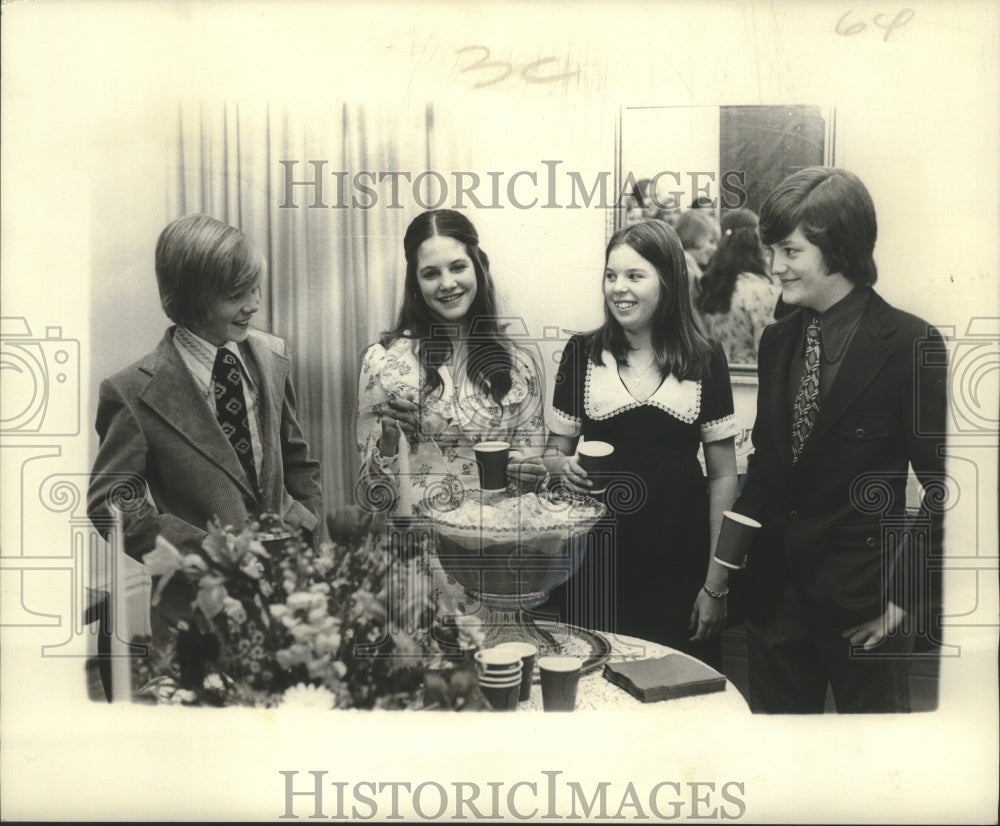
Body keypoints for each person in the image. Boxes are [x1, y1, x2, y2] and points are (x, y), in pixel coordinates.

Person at [715, 167, 948, 713]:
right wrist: (721, 581)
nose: (775, 267)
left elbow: (950, 487)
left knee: (875, 782)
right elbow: (766, 472)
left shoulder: (911, 343)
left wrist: (901, 601)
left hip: (866, 609)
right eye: (773, 250)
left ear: (838, 248)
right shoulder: (776, 341)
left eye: (791, 252)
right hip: (776, 609)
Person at [546, 219, 739, 668]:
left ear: (669, 281)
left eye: (635, 276)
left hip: (679, 565)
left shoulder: (705, 359)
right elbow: (556, 453)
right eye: (611, 276)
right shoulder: (582, 353)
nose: (619, 288)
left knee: (677, 698)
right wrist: (561, 468)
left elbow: (725, 476)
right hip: (596, 563)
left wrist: (716, 584)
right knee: (595, 688)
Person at [88, 214, 323, 560]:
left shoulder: (273, 356)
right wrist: (206, 551)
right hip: (201, 599)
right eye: (235, 296)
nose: (253, 305)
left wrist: (308, 531)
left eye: (254, 288)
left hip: (287, 579)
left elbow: (296, 461)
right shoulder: (131, 391)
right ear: (193, 300)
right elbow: (110, 503)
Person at [356, 209, 548, 613]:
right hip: (412, 564)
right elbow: (370, 492)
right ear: (415, 281)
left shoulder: (519, 366)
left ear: (478, 267)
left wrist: (529, 471)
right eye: (431, 273)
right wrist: (391, 440)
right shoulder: (384, 361)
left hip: (492, 561)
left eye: (458, 267)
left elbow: (532, 484)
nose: (447, 284)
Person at [696, 208, 780, 364]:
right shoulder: (762, 291)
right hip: (752, 379)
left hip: (720, 377)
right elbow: (771, 353)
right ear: (757, 241)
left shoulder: (713, 285)